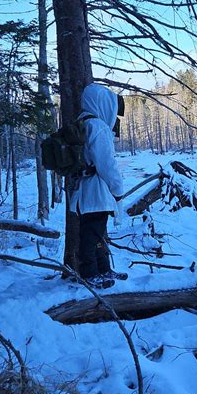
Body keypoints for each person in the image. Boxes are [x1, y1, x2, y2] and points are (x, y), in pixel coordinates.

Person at [69, 83, 128, 289]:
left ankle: (103, 269)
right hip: (95, 191)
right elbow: (107, 164)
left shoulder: (83, 122)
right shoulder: (98, 126)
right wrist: (118, 190)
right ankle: (90, 273)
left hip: (85, 188)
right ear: (102, 103)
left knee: (98, 232)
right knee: (91, 233)